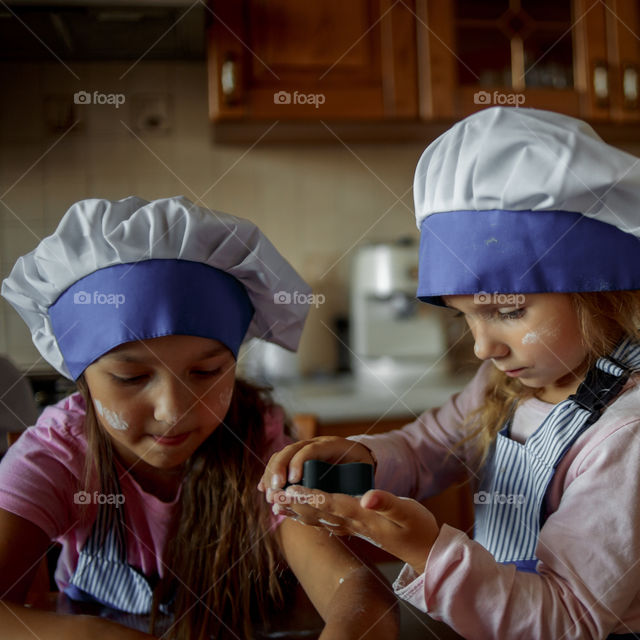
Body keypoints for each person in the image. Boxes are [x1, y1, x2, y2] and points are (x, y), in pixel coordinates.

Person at [260, 107, 640, 639]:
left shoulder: (630, 434)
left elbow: (568, 620)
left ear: (601, 293)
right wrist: (364, 459)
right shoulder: (508, 384)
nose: (482, 346)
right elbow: (426, 449)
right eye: (464, 316)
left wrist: (426, 550)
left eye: (508, 311)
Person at [0, 196, 399, 640]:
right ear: (82, 380)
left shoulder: (260, 444)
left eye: (206, 372)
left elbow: (358, 594)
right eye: (131, 377)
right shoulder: (57, 456)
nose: (173, 411)